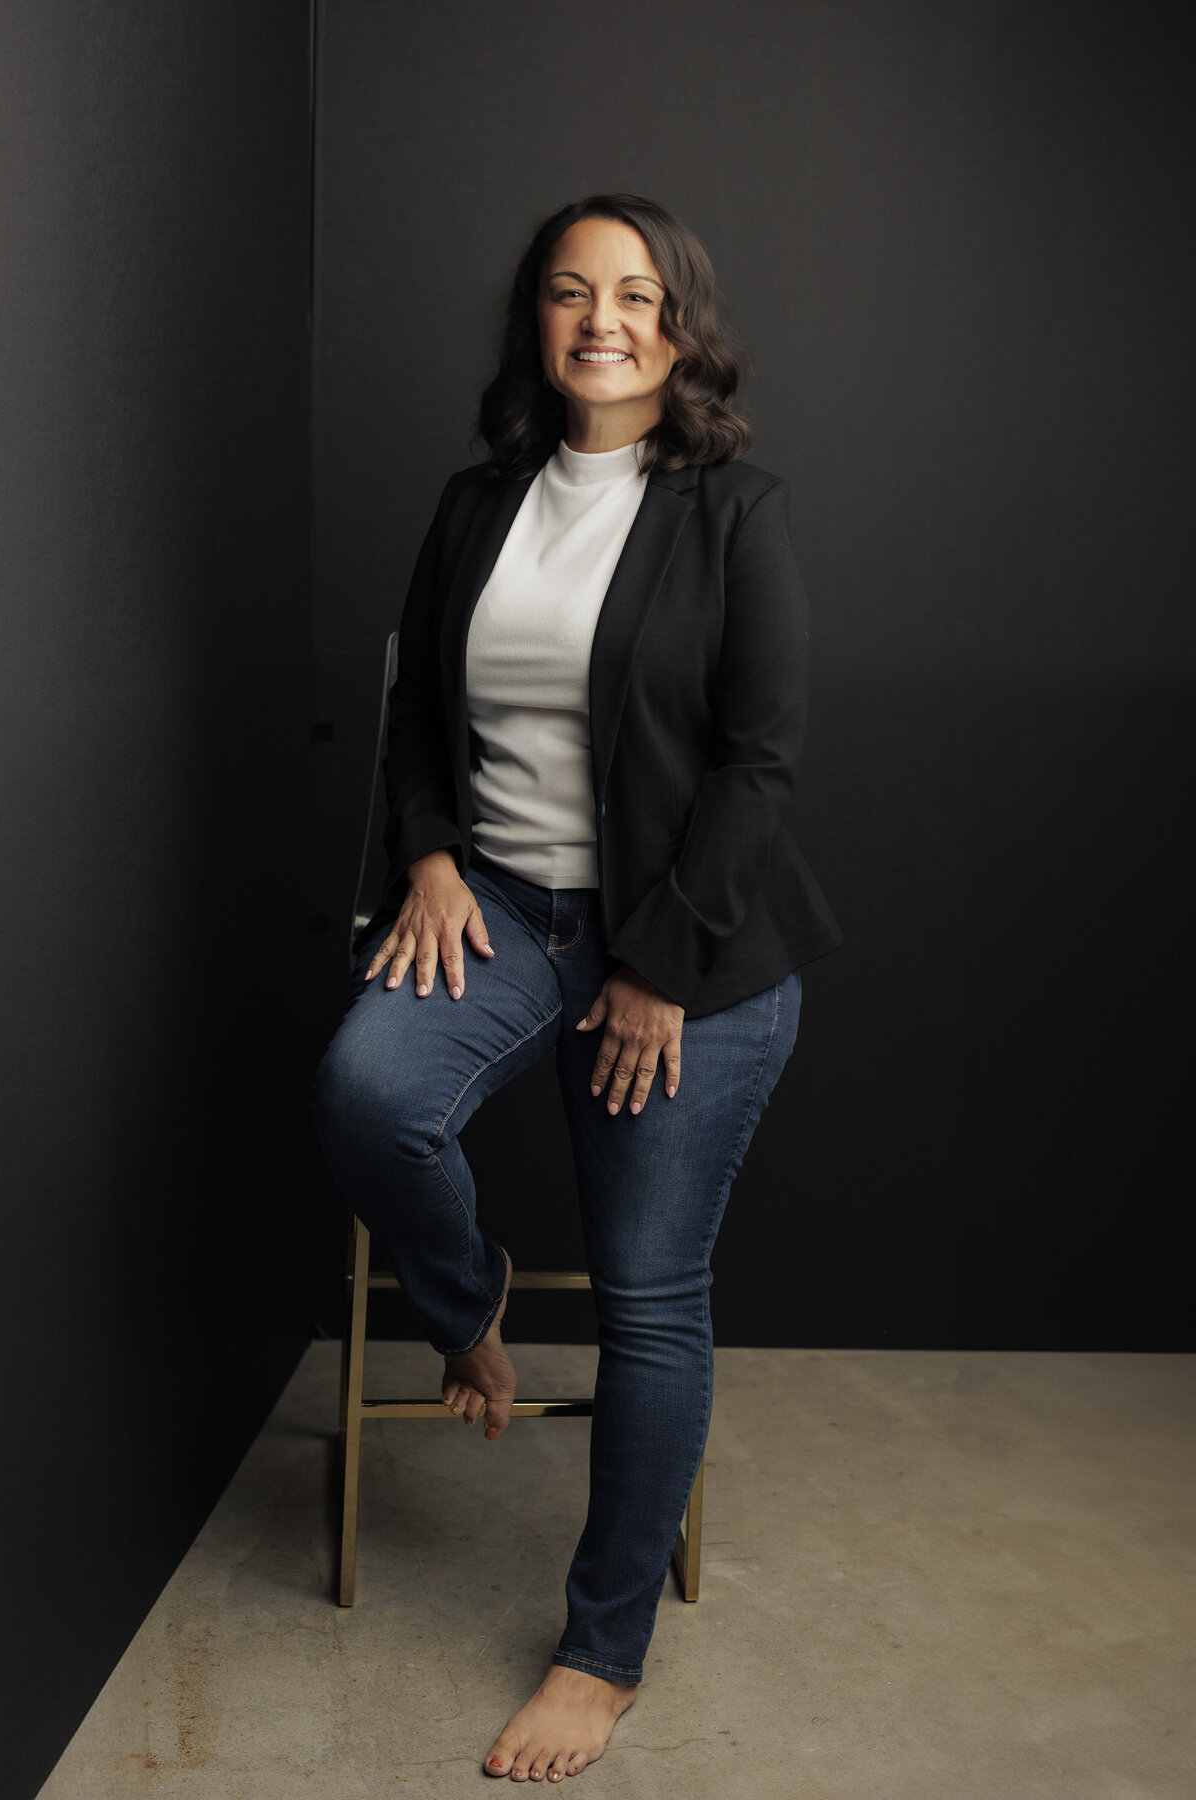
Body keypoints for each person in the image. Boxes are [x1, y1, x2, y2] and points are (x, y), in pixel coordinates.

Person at [310, 191, 842, 1783]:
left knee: (649, 1299)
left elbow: (761, 765)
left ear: (680, 326)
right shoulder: (477, 506)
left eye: (633, 293)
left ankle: (601, 1657)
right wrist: (423, 856)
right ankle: (464, 1313)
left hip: (698, 950)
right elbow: (414, 721)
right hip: (502, 913)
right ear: (536, 325)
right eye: (567, 292)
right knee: (367, 1094)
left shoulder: (735, 513)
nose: (599, 318)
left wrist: (660, 968)